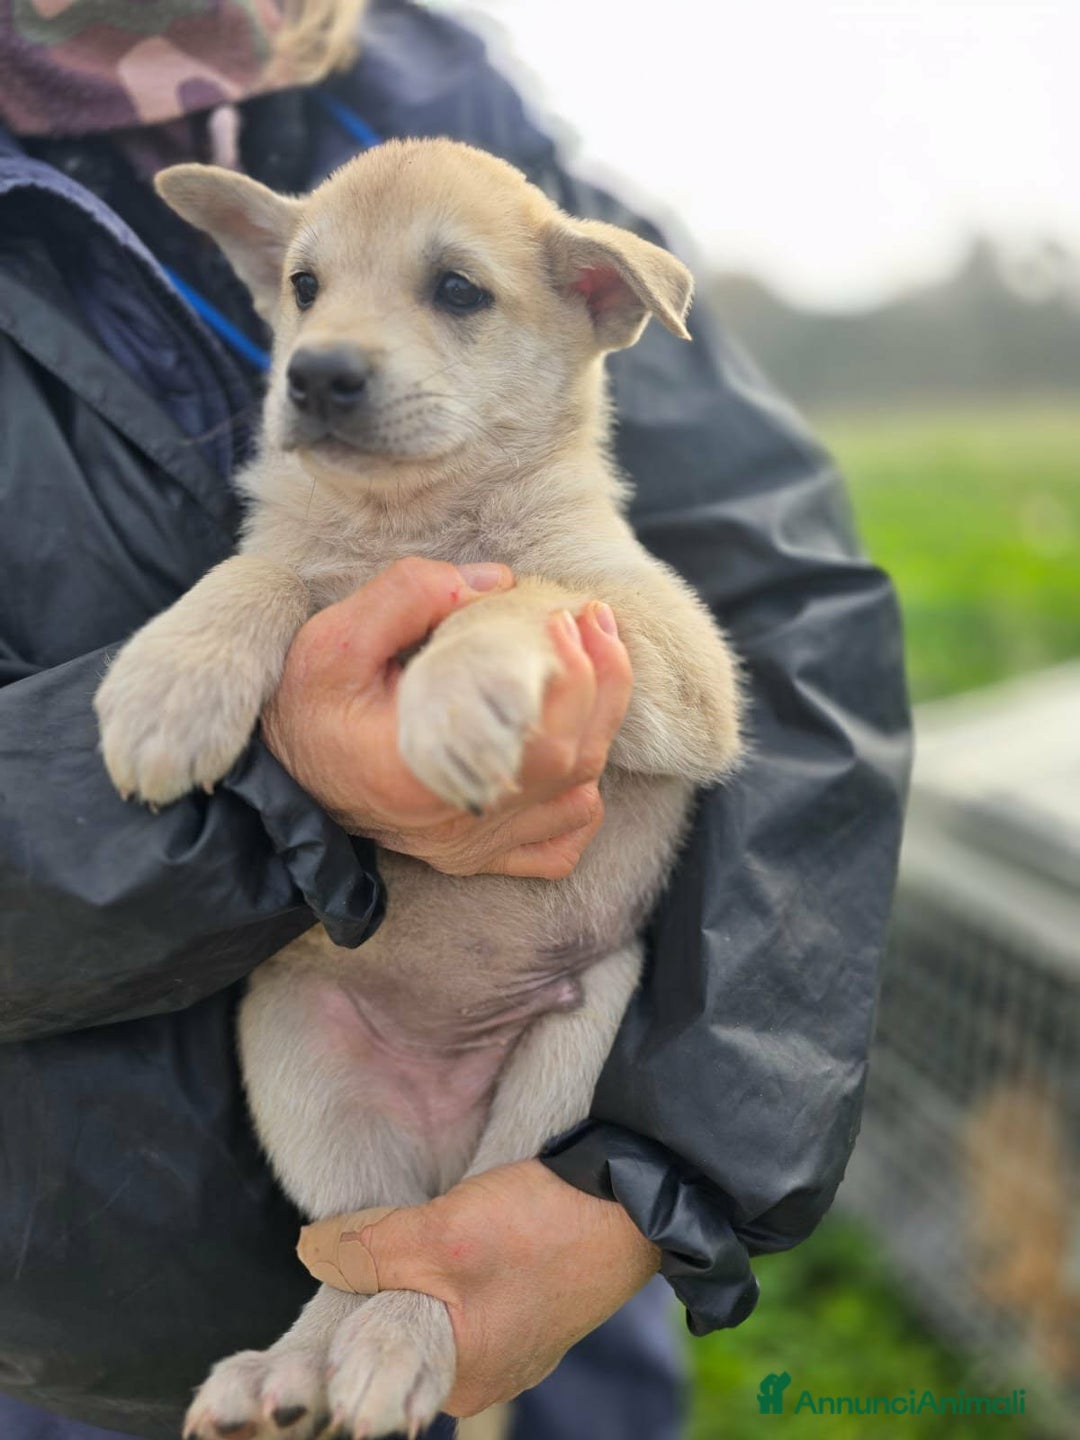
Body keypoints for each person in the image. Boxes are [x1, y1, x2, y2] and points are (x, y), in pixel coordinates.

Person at [0, 2, 911, 1438]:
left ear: (597, 306)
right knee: (310, 1043)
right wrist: (285, 736)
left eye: (455, 294)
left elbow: (741, 674)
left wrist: (648, 1195)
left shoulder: (439, 90)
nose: (333, 345)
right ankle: (347, 1305)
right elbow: (263, 594)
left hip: (560, 1106)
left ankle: (392, 1307)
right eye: (305, 287)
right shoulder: (294, 522)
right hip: (89, 1307)